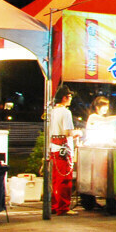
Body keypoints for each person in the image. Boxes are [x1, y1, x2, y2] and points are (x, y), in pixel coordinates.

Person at [48, 87, 78, 215]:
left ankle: (55, 205)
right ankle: (63, 207)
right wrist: (78, 132)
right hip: (63, 149)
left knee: (55, 179)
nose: (71, 99)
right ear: (65, 97)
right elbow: (67, 132)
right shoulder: (66, 112)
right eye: (70, 97)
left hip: (53, 148)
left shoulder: (52, 111)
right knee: (64, 180)